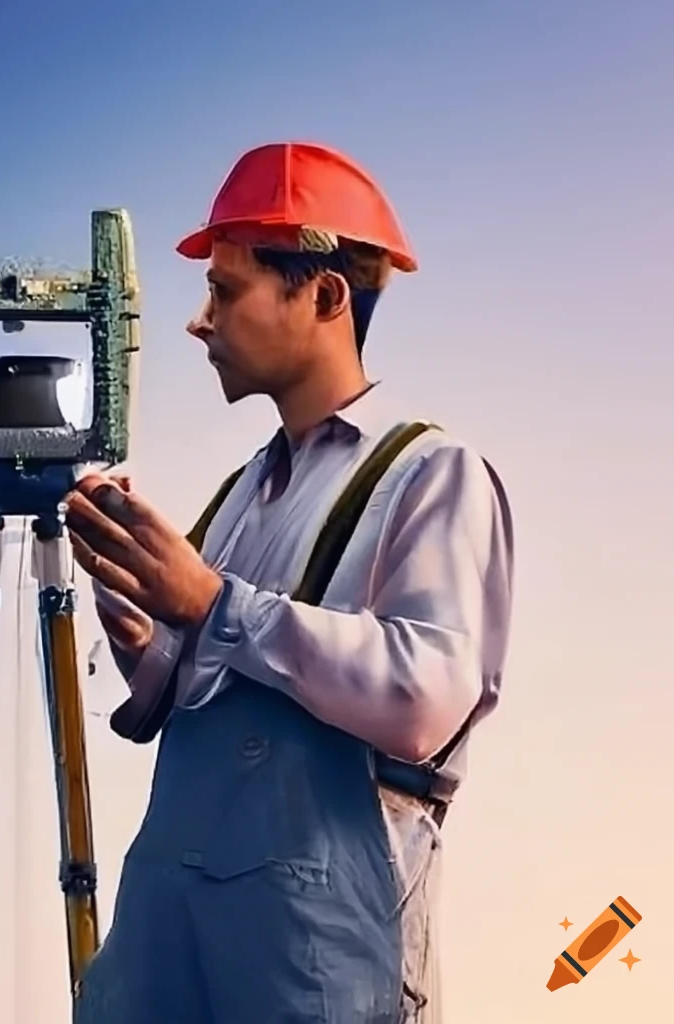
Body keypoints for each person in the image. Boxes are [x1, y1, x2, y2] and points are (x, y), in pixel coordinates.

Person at [64, 141, 515, 1023]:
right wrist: (136, 610)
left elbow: (424, 698)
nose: (200, 322)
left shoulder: (429, 475)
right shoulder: (242, 491)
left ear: (325, 296)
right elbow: (196, 690)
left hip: (319, 942)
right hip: (167, 927)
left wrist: (213, 604)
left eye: (225, 291)